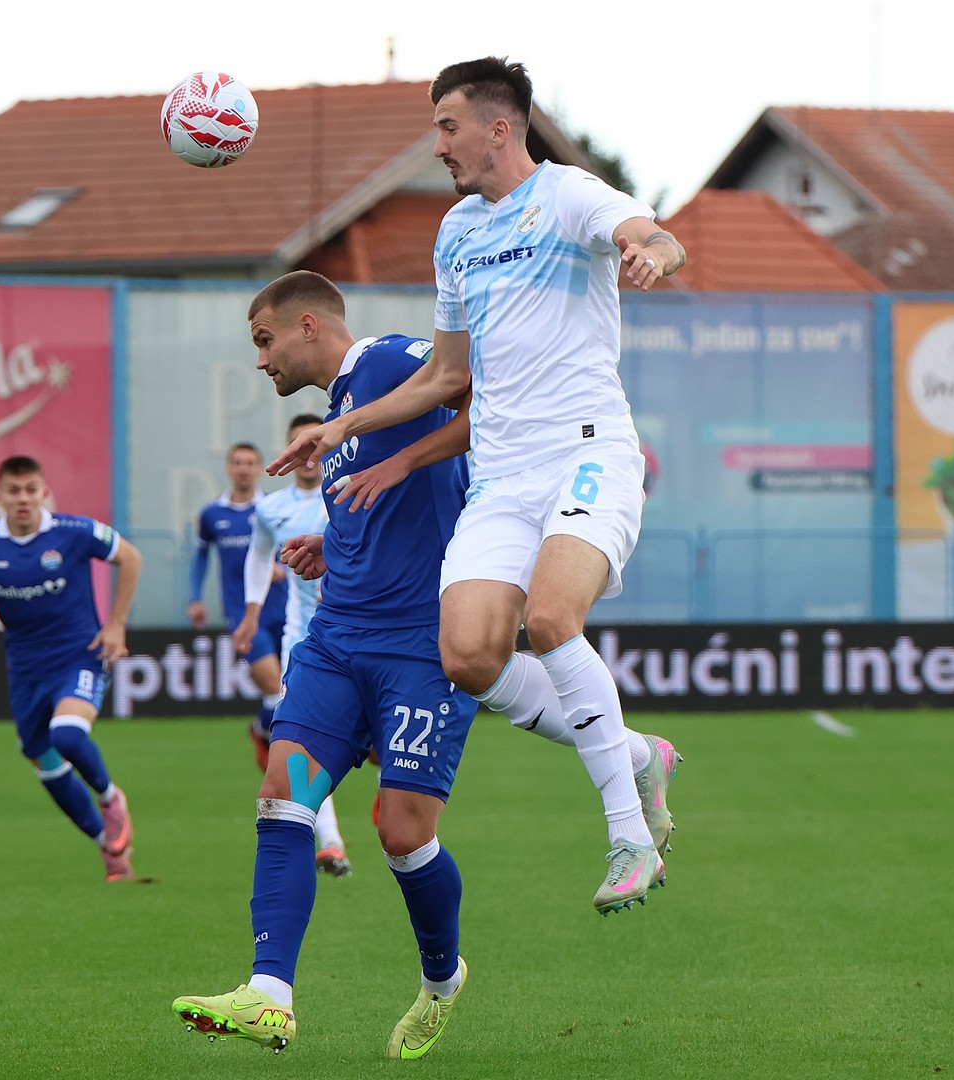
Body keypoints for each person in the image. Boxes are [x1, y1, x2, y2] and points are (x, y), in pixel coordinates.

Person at [269, 56, 686, 916]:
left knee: (552, 618)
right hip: (499, 479)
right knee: (466, 657)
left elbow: (654, 235)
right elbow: (445, 377)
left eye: (447, 126)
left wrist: (650, 252)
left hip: (587, 453)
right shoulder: (457, 231)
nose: (437, 146)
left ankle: (629, 836)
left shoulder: (568, 194)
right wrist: (347, 429)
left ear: (500, 128)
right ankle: (639, 756)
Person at [173, 271, 478, 1060]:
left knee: (402, 834)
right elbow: (379, 509)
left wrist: (404, 464)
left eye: (264, 341)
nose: (260, 360)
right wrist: (333, 546)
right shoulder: (341, 408)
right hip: (337, 639)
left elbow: (479, 393)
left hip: (421, 645)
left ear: (308, 325)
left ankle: (442, 979)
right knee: (282, 798)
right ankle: (269, 995)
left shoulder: (386, 362)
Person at [0, 455, 143, 881]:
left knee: (68, 735)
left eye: (31, 490)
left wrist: (115, 625)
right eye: (14, 491)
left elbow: (131, 558)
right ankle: (110, 849)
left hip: (79, 655)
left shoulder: (75, 531)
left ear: (44, 493)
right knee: (45, 763)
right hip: (24, 668)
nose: (23, 499)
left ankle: (110, 799)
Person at [235, 414, 350, 877]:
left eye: (313, 442)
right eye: (296, 444)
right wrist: (250, 613)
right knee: (304, 739)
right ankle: (331, 841)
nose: (307, 453)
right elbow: (258, 556)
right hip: (302, 640)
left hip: (359, 633)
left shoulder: (351, 490)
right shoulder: (271, 509)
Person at [188, 445, 290, 765]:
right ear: (228, 469)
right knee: (274, 688)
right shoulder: (211, 514)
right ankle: (271, 739)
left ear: (260, 468)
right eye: (237, 463)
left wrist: (282, 568)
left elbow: (296, 546)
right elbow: (201, 555)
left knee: (288, 693)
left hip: (284, 611)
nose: (243, 468)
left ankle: (260, 728)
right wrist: (195, 597)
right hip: (243, 616)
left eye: (250, 463)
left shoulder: (273, 508)